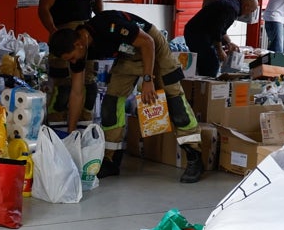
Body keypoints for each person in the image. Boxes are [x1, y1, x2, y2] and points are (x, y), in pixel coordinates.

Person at [48, 10, 204, 183]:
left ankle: (194, 156)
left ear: (78, 44)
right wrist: (71, 132)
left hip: (152, 47)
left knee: (175, 103)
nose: (72, 62)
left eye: (71, 58)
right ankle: (111, 160)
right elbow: (77, 93)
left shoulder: (108, 26)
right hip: (128, 55)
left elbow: (147, 43)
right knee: (110, 105)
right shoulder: (79, 54)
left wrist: (147, 80)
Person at [39, 0, 102, 120]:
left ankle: (83, 128)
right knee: (63, 90)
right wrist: (54, 33)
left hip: (87, 38)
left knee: (89, 87)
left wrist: (101, 19)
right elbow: (43, 9)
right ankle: (55, 132)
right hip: (64, 39)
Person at [183, 0, 259, 77]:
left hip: (197, 31)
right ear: (246, 6)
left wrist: (229, 43)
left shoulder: (233, 4)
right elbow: (217, 30)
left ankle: (198, 84)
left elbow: (221, 30)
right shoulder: (232, 9)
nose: (249, 14)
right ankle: (206, 87)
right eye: (251, 11)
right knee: (212, 64)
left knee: (205, 62)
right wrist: (220, 50)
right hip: (197, 34)